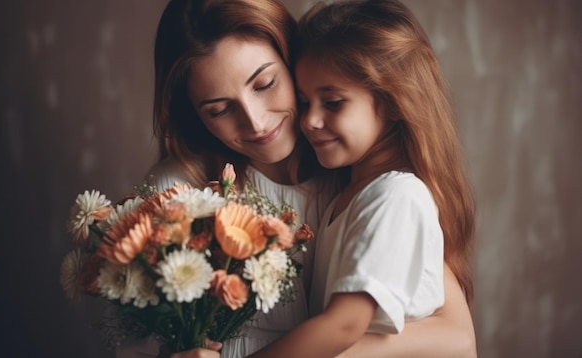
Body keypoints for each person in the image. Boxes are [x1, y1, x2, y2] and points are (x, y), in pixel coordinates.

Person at [117, 0, 476, 357]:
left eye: (265, 83)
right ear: (195, 115)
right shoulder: (180, 190)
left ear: (293, 64)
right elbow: (138, 344)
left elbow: (455, 336)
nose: (256, 122)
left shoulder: (361, 183)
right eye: (220, 109)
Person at [246, 0, 476, 357]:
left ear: (392, 101)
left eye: (333, 102)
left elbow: (344, 325)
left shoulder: (397, 196)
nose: (310, 121)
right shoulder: (348, 196)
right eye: (305, 102)